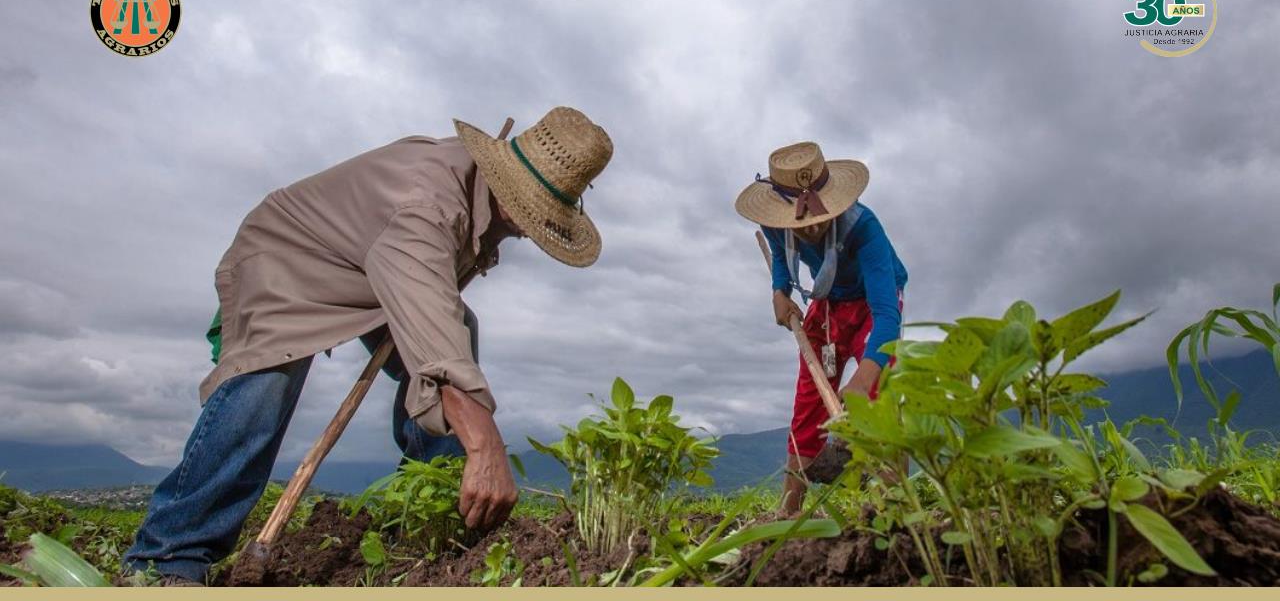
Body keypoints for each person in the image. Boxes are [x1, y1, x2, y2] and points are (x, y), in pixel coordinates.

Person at [123, 107, 613, 584]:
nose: (530, 230)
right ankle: (169, 557)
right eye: (531, 214)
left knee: (458, 329)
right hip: (287, 260)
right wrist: (485, 448)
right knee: (268, 378)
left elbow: (438, 325)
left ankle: (425, 519)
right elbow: (439, 348)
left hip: (367, 269)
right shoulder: (428, 206)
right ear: (509, 191)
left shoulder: (467, 199)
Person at [734, 141, 907, 515]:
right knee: (809, 399)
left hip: (873, 304)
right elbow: (781, 255)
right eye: (801, 223)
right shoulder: (776, 222)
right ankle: (789, 510)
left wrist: (863, 378)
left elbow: (887, 316)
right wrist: (779, 290)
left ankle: (901, 507)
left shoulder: (864, 229)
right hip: (828, 301)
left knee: (881, 393)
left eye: (817, 221)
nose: (810, 231)